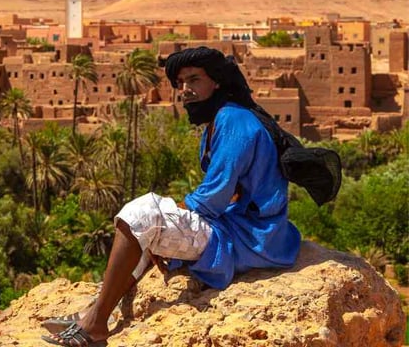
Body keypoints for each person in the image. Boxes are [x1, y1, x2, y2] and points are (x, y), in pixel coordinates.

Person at [41, 47, 302, 347]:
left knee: (142, 215)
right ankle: (95, 313)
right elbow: (230, 194)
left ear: (216, 81)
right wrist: (169, 226)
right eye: (180, 83)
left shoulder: (233, 121)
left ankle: (95, 326)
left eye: (194, 80)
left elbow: (214, 197)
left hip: (251, 239)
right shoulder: (220, 119)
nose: (185, 90)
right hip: (238, 228)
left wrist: (171, 220)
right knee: (147, 227)